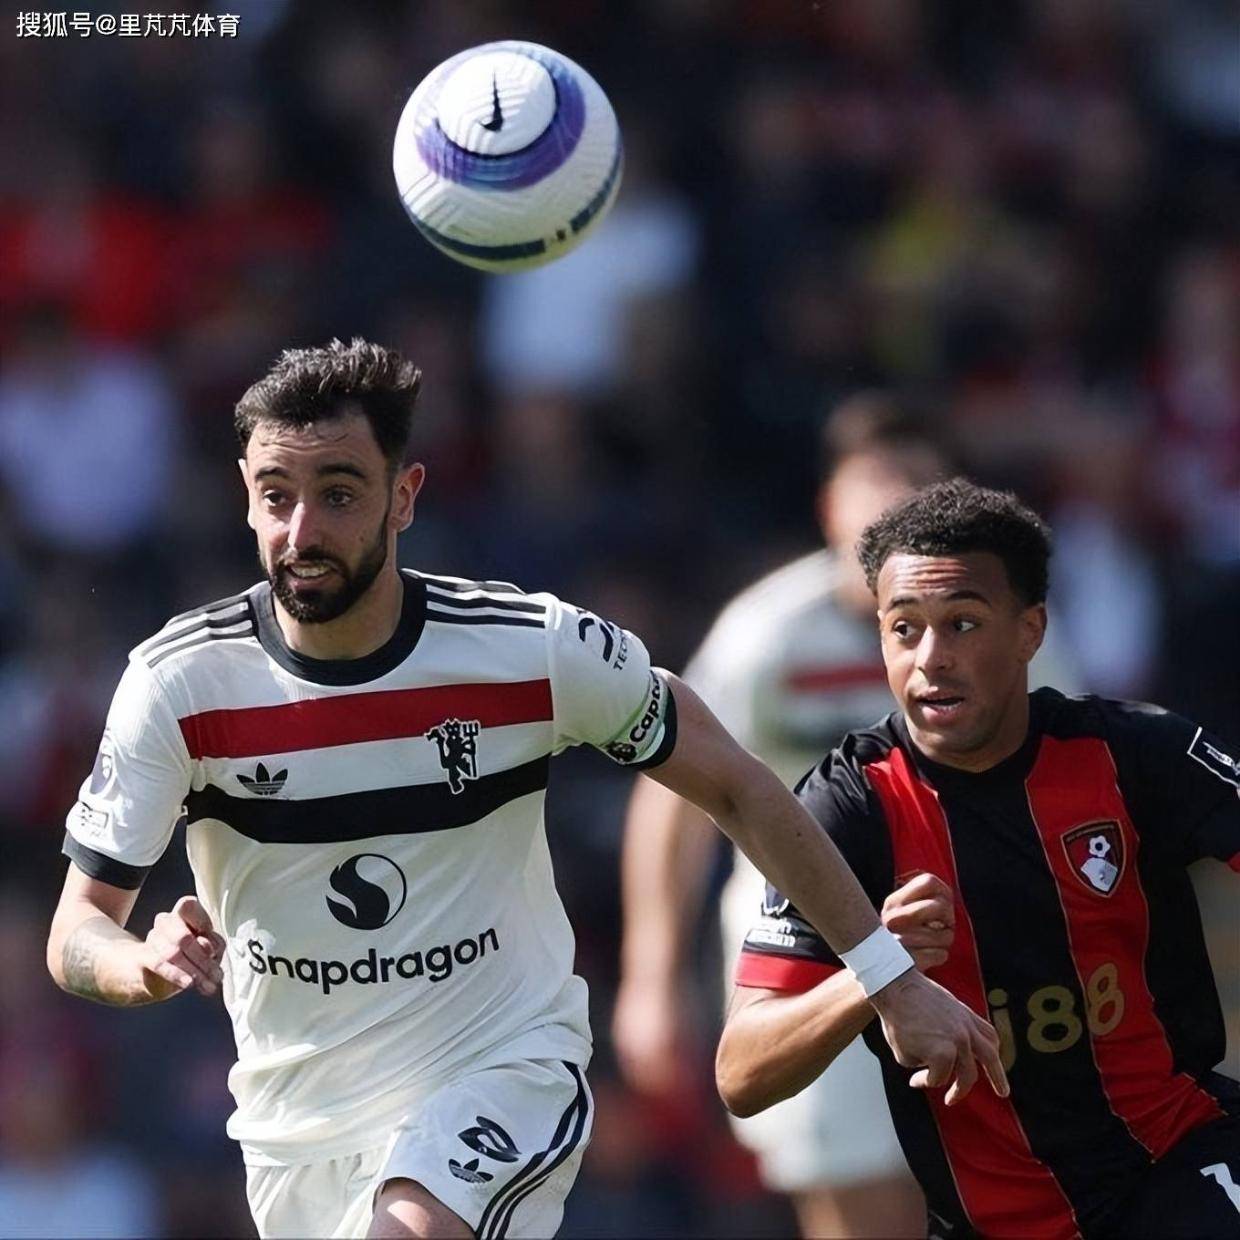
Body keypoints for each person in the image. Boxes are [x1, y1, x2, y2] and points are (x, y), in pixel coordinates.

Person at [45, 341, 1004, 1240]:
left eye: (338, 493)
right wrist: (140, 964)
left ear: (403, 497)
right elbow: (76, 930)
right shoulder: (179, 685)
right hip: (297, 1126)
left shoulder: (528, 650)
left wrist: (887, 976)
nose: (302, 530)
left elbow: (739, 787)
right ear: (246, 499)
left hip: (502, 1068)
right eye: (276, 495)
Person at [717, 478, 1240, 1239]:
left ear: (1031, 631)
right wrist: (877, 970)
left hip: (1175, 1163)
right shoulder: (846, 810)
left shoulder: (1133, 753)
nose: (931, 659)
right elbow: (742, 1071)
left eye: (962, 623)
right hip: (994, 1224)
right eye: (904, 629)